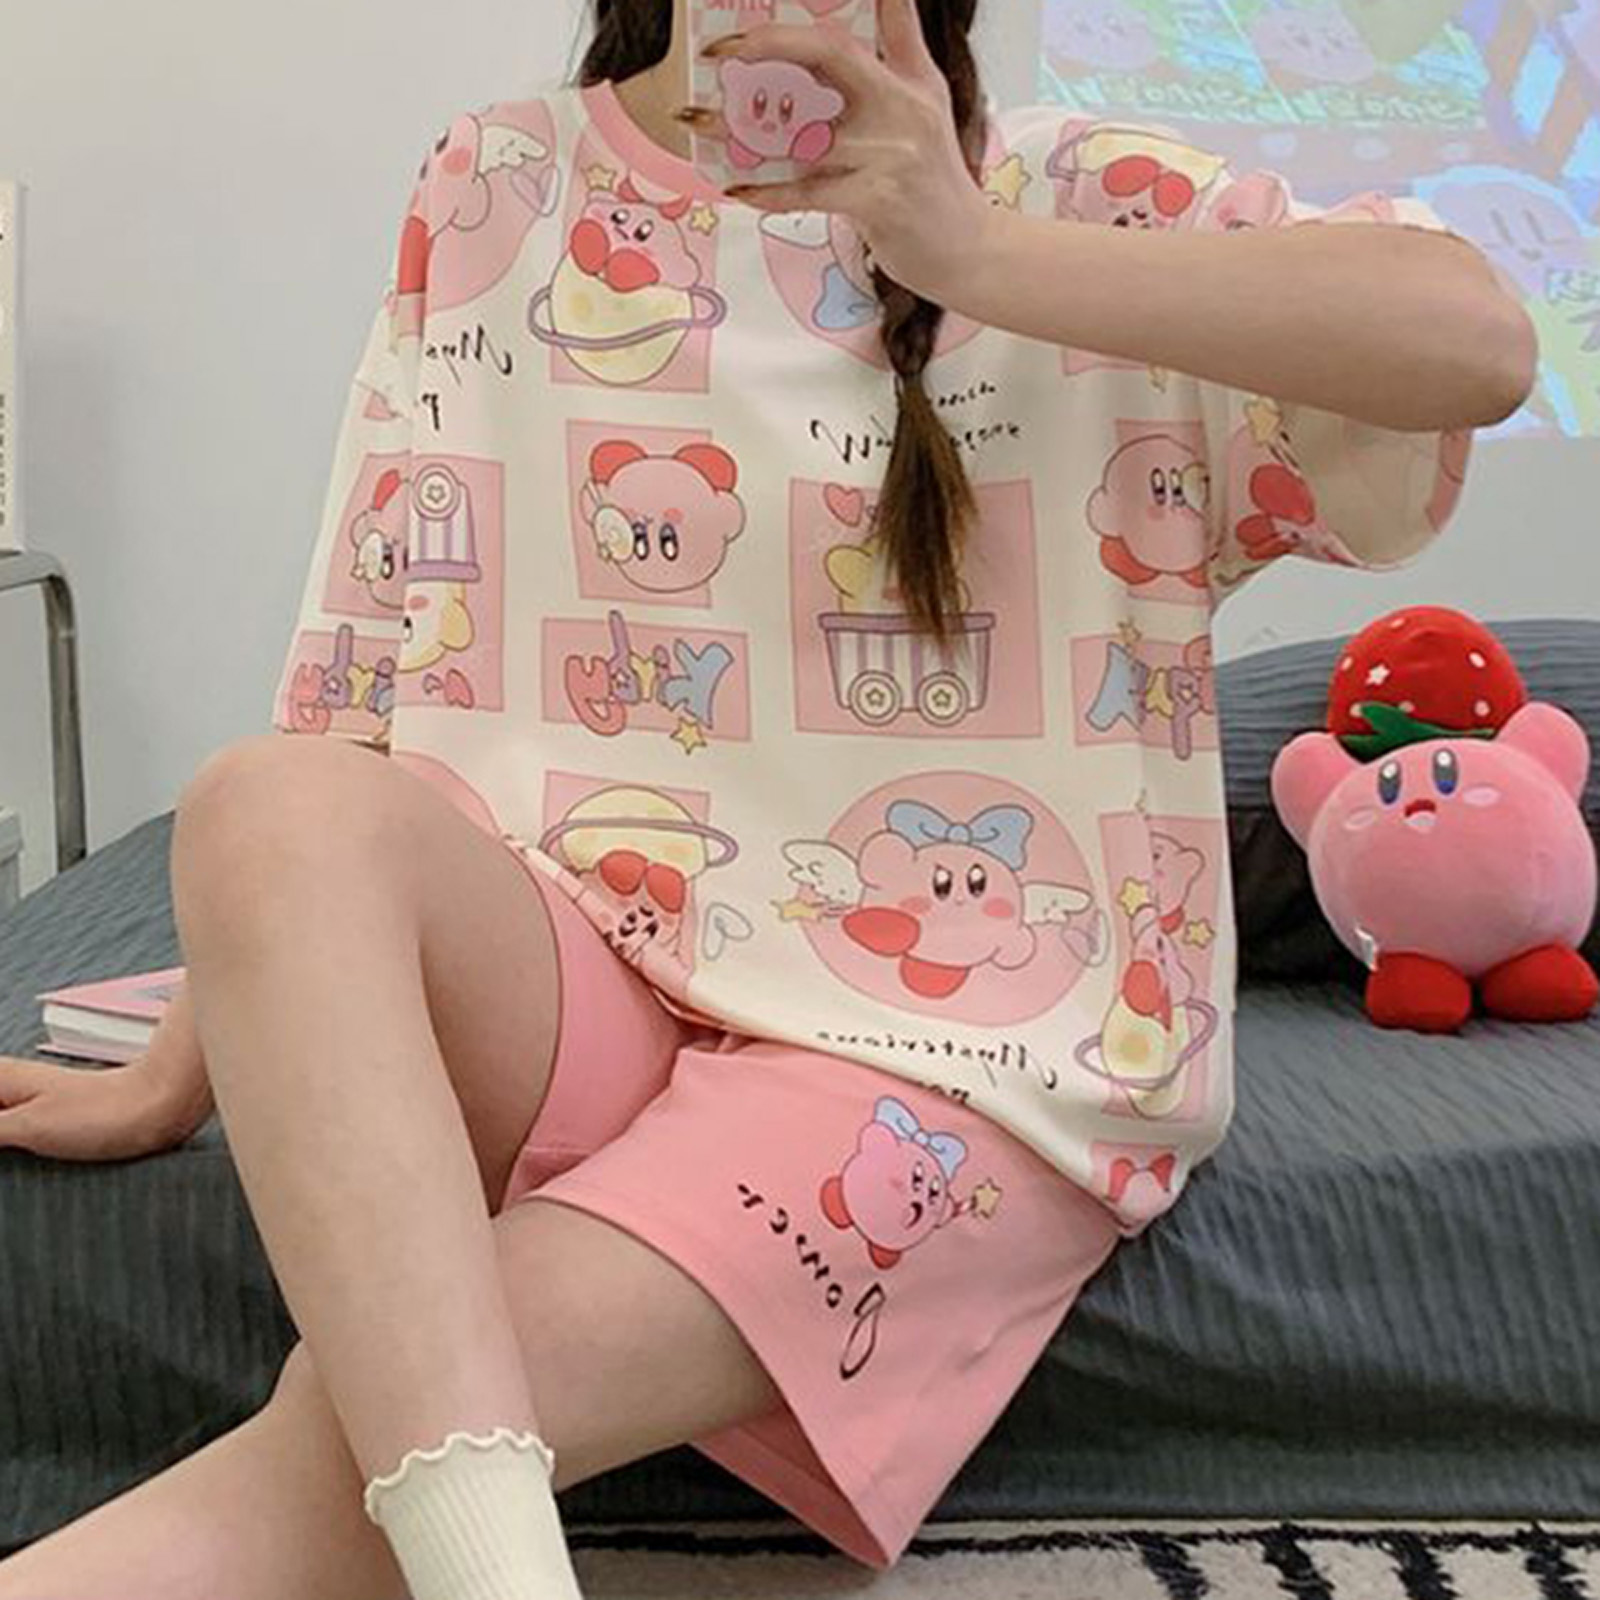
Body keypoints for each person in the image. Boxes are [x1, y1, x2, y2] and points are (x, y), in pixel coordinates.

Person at [0, 1, 1532, 1596]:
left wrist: (973, 251)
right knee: (267, 802)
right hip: (570, 969)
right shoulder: (496, 180)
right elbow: (369, 638)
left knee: (374, 1415)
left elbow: (1476, 343)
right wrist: (192, 1055)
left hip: (944, 1044)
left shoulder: (1082, 200)